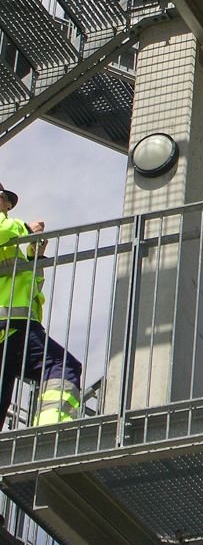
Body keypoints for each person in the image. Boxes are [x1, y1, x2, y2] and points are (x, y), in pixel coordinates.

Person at [0, 182, 82, 428]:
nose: (8, 204)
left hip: (14, 325)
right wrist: (26, 228)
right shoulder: (8, 230)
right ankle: (51, 427)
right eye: (4, 197)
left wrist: (35, 256)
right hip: (10, 324)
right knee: (61, 364)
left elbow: (30, 287)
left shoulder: (9, 242)